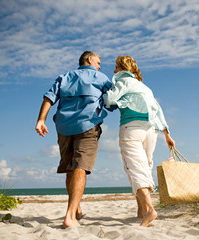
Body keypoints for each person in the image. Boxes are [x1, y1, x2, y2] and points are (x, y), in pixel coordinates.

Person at [35, 51, 111, 228]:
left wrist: (41, 120)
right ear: (90, 60)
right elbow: (112, 100)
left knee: (70, 168)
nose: (100, 66)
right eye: (99, 62)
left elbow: (49, 97)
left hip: (64, 127)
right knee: (80, 167)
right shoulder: (100, 77)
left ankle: (75, 208)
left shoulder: (65, 76)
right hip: (88, 124)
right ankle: (70, 216)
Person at [103, 55, 175, 227]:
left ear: (122, 68)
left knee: (135, 168)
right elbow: (158, 110)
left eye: (115, 67)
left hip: (131, 128)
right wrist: (167, 134)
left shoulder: (123, 80)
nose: (114, 71)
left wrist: (112, 96)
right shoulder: (145, 87)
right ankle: (141, 210)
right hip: (151, 130)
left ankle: (149, 210)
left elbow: (109, 100)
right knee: (145, 167)